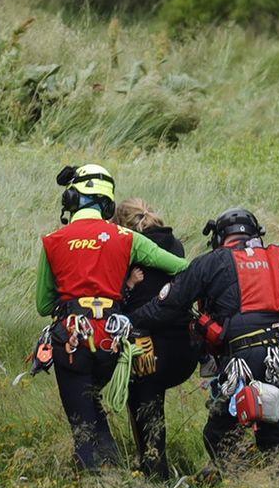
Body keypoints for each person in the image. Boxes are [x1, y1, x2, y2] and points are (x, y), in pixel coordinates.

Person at [35, 165, 188, 470]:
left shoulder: (53, 241)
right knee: (94, 405)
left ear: (71, 198)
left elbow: (43, 304)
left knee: (83, 420)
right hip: (112, 341)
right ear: (107, 205)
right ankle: (114, 469)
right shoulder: (126, 238)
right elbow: (181, 267)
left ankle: (98, 482)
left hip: (72, 339)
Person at [131, 206, 279, 466]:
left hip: (246, 357)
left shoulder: (211, 261)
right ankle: (276, 487)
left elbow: (169, 304)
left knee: (220, 433)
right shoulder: (276, 258)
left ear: (219, 236)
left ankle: (240, 485)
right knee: (277, 440)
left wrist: (129, 320)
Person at [113, 198, 198, 480]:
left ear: (121, 224)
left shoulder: (126, 247)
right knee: (152, 398)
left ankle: (153, 469)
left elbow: (119, 300)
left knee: (145, 403)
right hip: (184, 347)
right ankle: (159, 466)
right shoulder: (175, 245)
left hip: (145, 343)